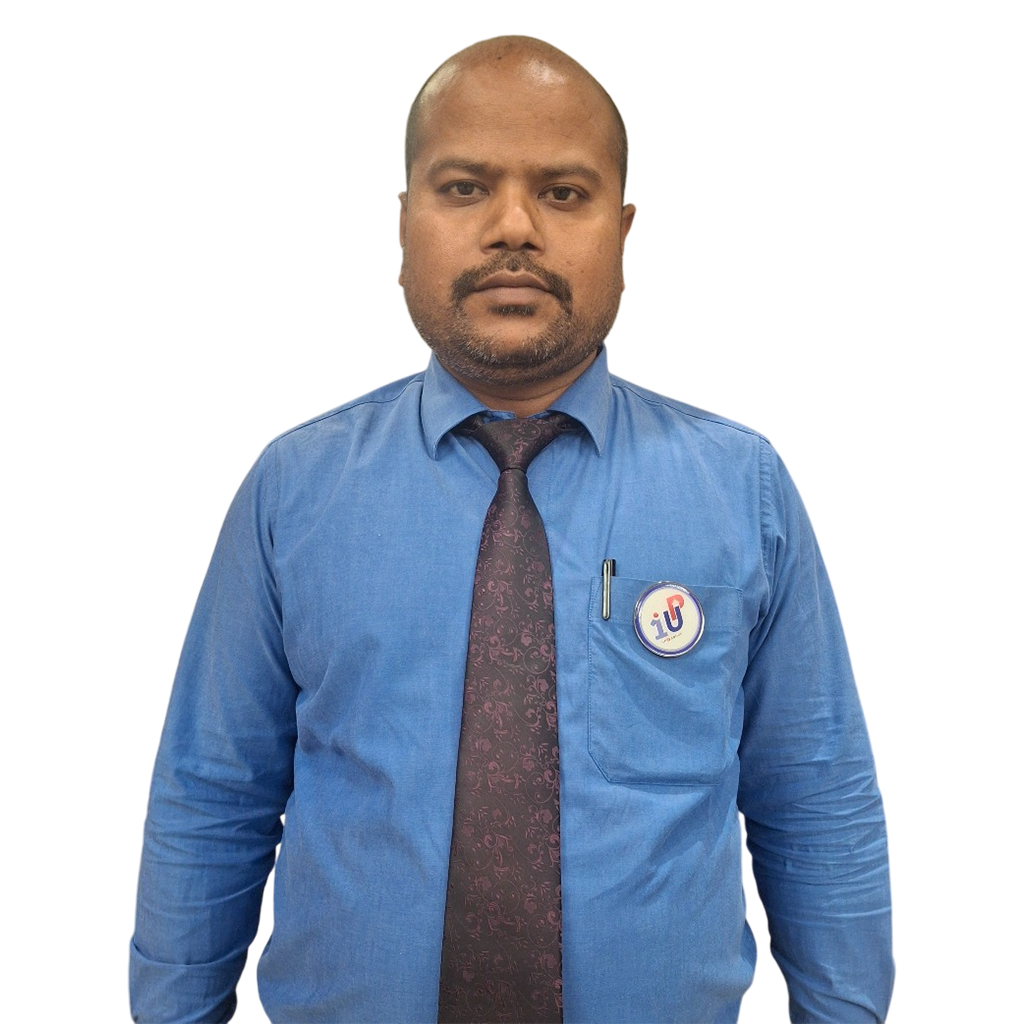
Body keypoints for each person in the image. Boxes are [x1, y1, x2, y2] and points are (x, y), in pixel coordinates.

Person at [130, 35, 894, 1024]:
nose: (513, 228)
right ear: (403, 222)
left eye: (564, 193)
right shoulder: (295, 489)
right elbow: (213, 792)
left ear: (623, 231)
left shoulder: (739, 487)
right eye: (463, 188)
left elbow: (816, 797)